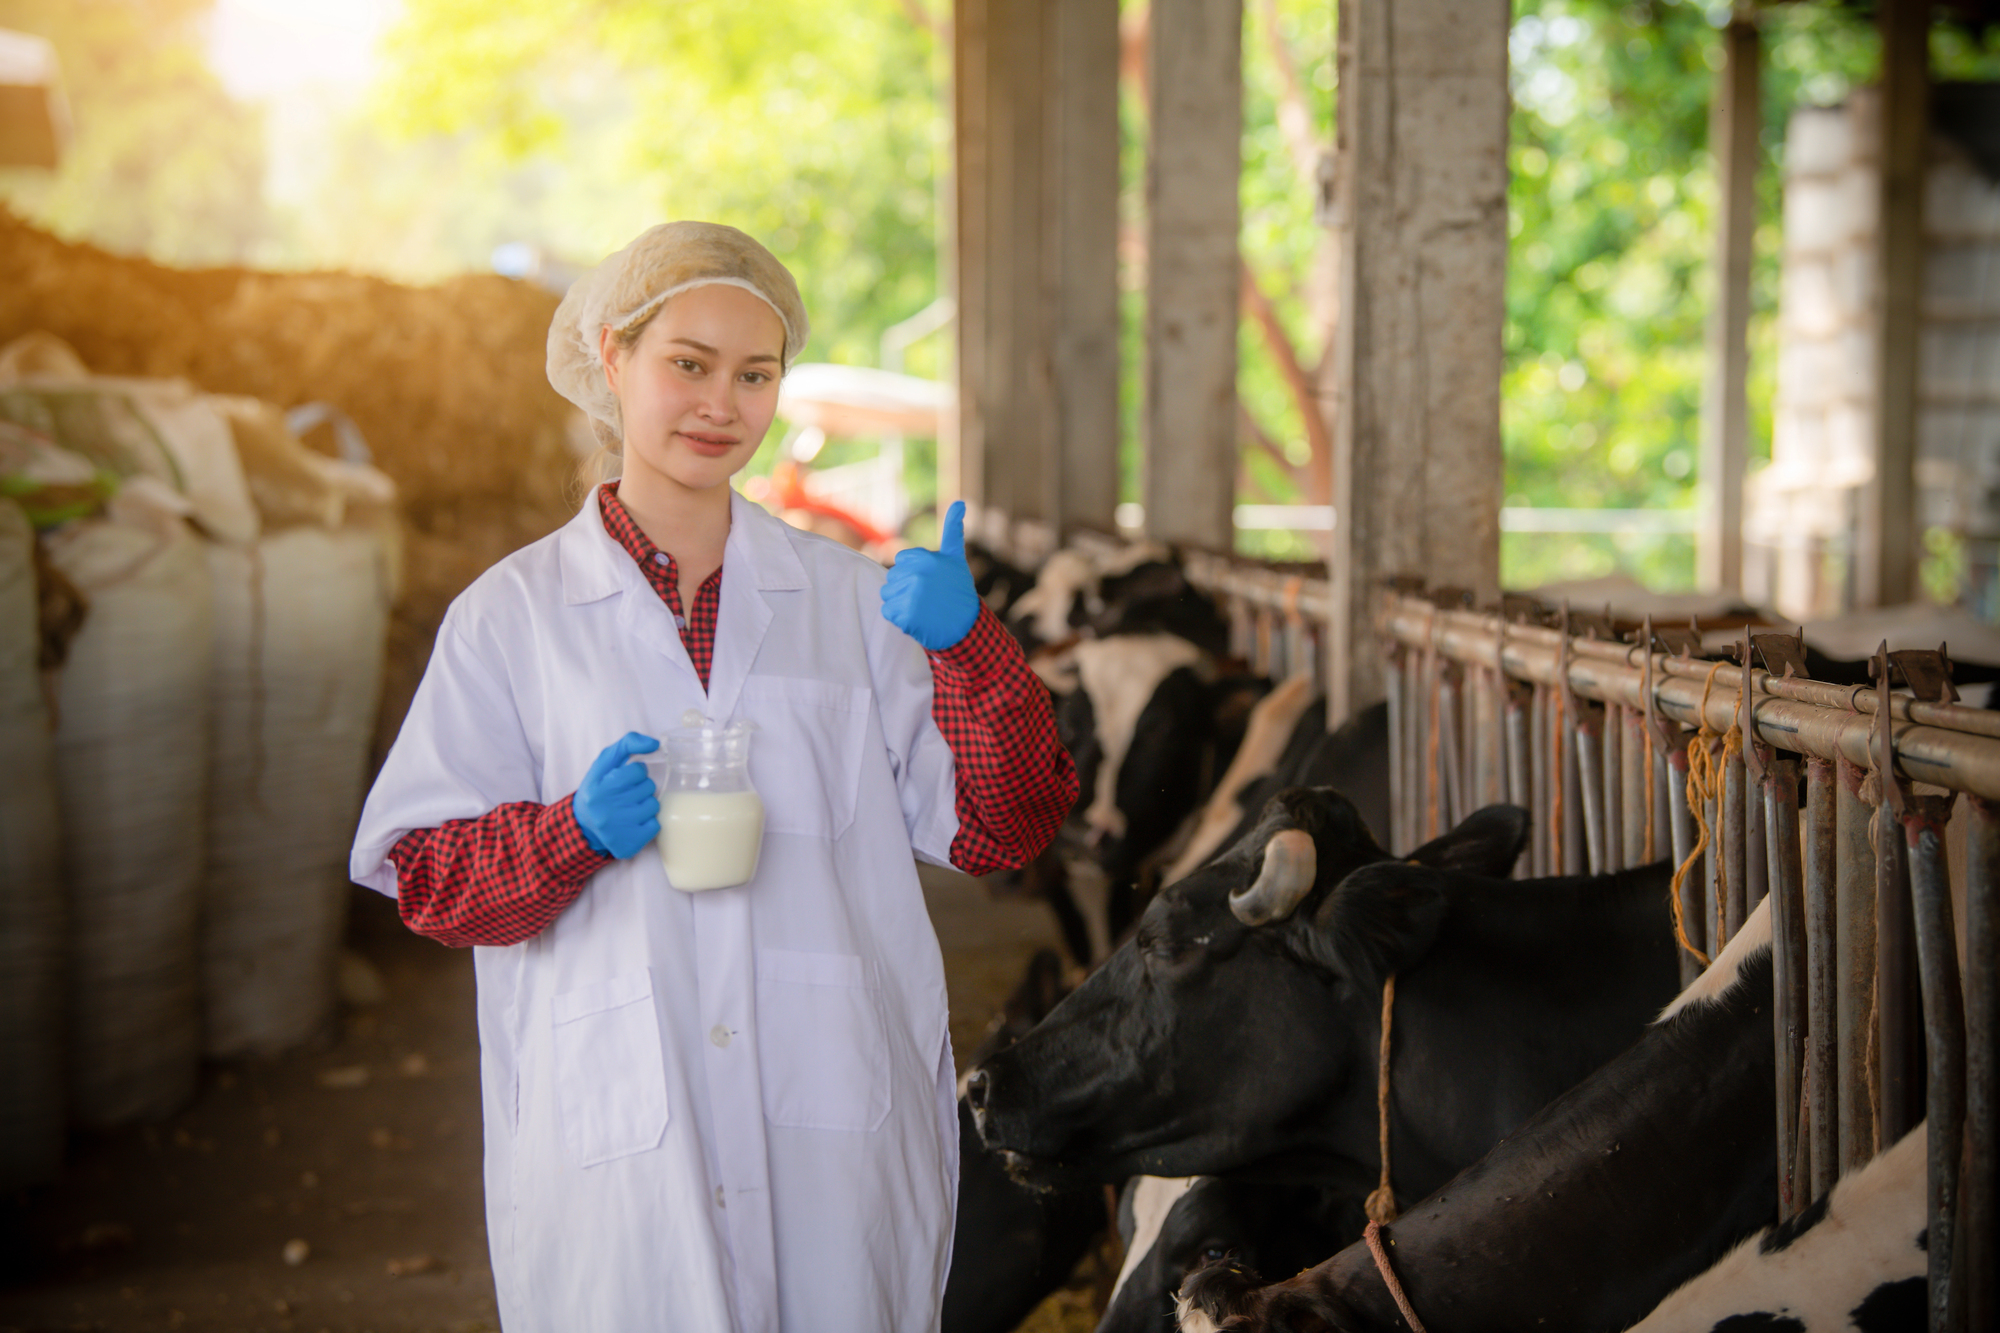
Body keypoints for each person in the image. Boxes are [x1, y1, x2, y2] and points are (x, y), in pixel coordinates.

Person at [349, 221, 1077, 1332]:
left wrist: (970, 646)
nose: (719, 404)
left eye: (754, 375)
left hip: (833, 1116)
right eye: (686, 364)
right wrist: (570, 833)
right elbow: (426, 876)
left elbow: (1001, 829)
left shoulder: (848, 602)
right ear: (612, 359)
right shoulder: (512, 617)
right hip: (617, 1133)